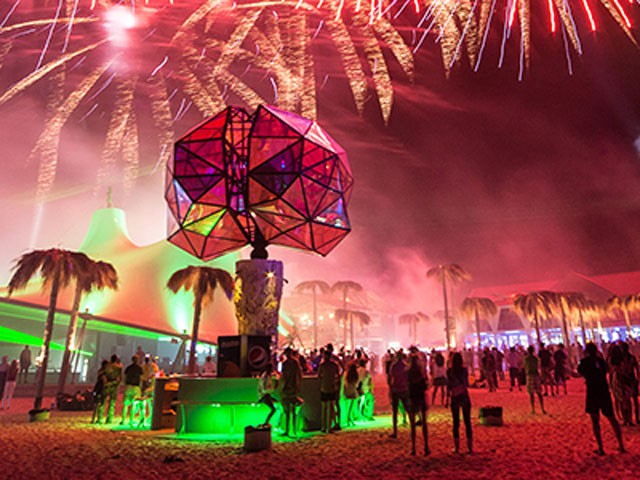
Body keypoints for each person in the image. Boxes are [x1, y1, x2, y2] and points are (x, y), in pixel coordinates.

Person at [578, 342, 625, 455]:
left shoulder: (585, 362)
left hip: (593, 392)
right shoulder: (601, 361)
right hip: (603, 391)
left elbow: (580, 372)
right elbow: (606, 370)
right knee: (612, 418)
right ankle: (621, 445)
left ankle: (601, 447)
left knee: (595, 421)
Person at [446, 352, 472, 454]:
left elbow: (449, 386)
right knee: (467, 422)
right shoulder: (464, 371)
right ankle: (469, 447)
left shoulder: (449, 372)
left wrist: (447, 398)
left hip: (455, 396)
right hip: (464, 395)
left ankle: (456, 447)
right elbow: (466, 384)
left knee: (456, 422)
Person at [408, 354, 429, 456]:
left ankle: (413, 448)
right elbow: (425, 387)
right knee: (424, 423)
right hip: (421, 398)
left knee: (412, 425)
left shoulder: (408, 374)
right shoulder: (421, 374)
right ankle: (426, 446)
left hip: (412, 399)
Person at [279, 348, 302, 437]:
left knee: (288, 411)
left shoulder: (286, 363)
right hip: (292, 387)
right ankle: (293, 429)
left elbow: (283, 377)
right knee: (291, 410)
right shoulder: (294, 363)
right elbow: (299, 375)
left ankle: (289, 429)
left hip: (288, 388)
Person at [608, 344, 633, 426]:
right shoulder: (623, 359)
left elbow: (611, 372)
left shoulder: (611, 360)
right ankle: (629, 419)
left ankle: (625, 418)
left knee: (621, 400)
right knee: (627, 401)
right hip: (624, 379)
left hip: (616, 380)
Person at [318, 349, 341, 433]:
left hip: (324, 387)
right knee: (330, 408)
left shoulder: (322, 366)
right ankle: (328, 426)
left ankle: (324, 426)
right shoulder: (334, 365)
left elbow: (319, 376)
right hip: (332, 387)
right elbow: (338, 375)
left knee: (324, 408)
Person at [389, 350, 410, 439]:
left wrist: (391, 389)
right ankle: (410, 427)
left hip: (396, 389)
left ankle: (395, 432)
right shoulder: (406, 366)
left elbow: (390, 378)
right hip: (404, 389)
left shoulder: (393, 366)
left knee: (395, 411)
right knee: (408, 409)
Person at [620, 342, 639, 424]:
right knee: (634, 400)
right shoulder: (631, 358)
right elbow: (637, 368)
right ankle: (636, 418)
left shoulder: (621, 359)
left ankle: (628, 418)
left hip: (626, 380)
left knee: (627, 401)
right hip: (631, 379)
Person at [524, 346, 546, 415]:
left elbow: (526, 367)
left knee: (531, 394)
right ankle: (542, 408)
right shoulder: (535, 359)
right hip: (536, 375)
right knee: (539, 393)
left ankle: (533, 410)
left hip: (530, 375)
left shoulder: (526, 359)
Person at [122, 355, 143, 426]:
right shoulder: (139, 369)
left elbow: (124, 377)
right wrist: (140, 387)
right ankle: (131, 420)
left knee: (126, 404)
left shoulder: (128, 368)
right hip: (136, 387)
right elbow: (141, 379)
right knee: (134, 404)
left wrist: (124, 385)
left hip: (128, 386)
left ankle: (123, 420)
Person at [103, 354, 123, 424]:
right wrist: (117, 384)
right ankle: (109, 418)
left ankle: (100, 417)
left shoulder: (107, 366)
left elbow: (103, 375)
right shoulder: (118, 367)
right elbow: (120, 378)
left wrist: (105, 382)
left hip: (107, 385)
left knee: (103, 401)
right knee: (112, 402)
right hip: (114, 385)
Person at [343, 362, 360, 427]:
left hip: (347, 390)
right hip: (353, 390)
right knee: (352, 406)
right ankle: (350, 418)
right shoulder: (355, 375)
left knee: (348, 406)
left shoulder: (347, 375)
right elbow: (357, 384)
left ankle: (348, 419)